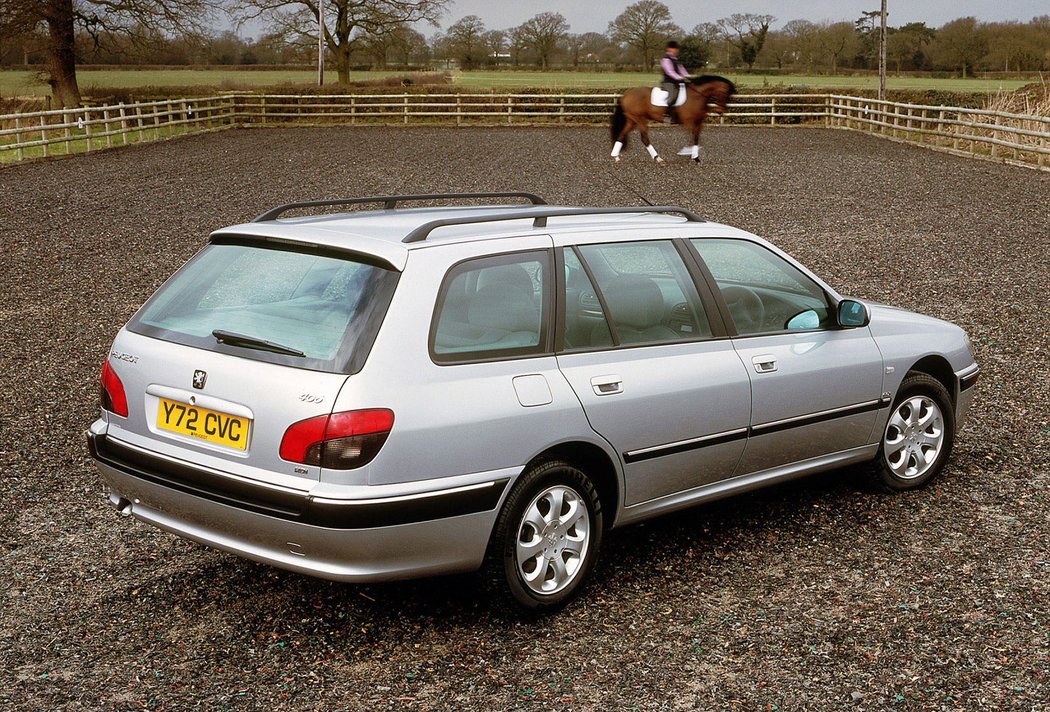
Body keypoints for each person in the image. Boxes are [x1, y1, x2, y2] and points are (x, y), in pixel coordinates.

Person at [660, 40, 690, 123]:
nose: (677, 50)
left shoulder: (676, 60)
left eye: (677, 49)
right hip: (668, 82)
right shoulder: (666, 60)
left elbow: (682, 69)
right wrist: (679, 78)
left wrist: (688, 77)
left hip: (676, 82)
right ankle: (667, 115)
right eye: (675, 49)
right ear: (669, 49)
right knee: (673, 95)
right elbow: (670, 72)